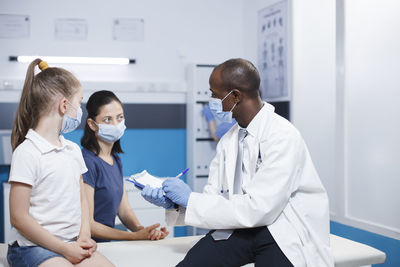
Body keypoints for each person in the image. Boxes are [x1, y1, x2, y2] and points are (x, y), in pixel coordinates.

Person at [142, 58, 334, 267]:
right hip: (242, 229)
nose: (211, 101)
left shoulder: (282, 136)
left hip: (280, 229)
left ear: (235, 96)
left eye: (214, 94)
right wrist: (178, 205)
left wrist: (192, 200)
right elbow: (214, 198)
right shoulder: (229, 140)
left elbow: (260, 208)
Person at [8, 59, 113, 266]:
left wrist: (84, 235)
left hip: (71, 242)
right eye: (79, 103)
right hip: (32, 247)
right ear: (64, 105)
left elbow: (82, 198)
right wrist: (64, 249)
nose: (80, 111)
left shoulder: (72, 150)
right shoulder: (27, 152)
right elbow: (18, 217)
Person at [81, 90, 169, 242]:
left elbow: (124, 210)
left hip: (107, 246)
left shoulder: (115, 159)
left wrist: (145, 232)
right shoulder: (87, 162)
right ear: (92, 124)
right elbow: (89, 225)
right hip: (87, 247)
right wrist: (132, 236)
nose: (116, 124)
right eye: (107, 119)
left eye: (119, 117)